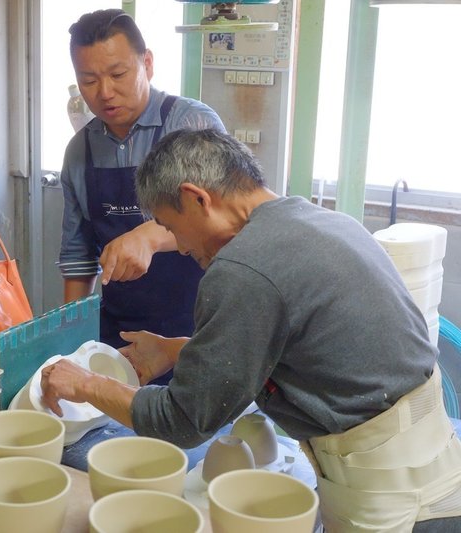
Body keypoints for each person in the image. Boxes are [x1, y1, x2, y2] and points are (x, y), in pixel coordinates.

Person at [42, 128, 461, 532]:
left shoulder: (243, 269)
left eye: (170, 227)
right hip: (431, 465)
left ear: (197, 198)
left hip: (393, 499)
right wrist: (178, 351)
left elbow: (183, 422)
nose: (181, 247)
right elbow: (302, 352)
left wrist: (87, 384)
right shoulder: (325, 222)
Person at [57, 9, 225, 365]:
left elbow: (223, 222)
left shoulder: (192, 125)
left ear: (147, 63)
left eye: (118, 74)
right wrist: (71, 342)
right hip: (118, 334)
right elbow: (78, 258)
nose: (105, 92)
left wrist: (149, 236)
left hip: (196, 329)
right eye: (88, 81)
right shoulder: (79, 152)